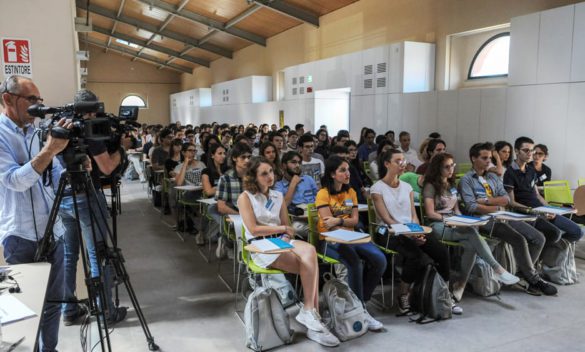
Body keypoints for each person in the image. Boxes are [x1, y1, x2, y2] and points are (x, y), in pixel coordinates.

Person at [0, 75, 71, 351]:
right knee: (22, 312)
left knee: (52, 305)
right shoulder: (2, 135)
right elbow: (14, 181)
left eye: (39, 101)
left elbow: (52, 177)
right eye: (31, 100)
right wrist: (50, 150)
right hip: (20, 236)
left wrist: (73, 172)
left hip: (53, 232)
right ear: (8, 99)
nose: (37, 107)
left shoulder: (36, 133)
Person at [238, 157, 339, 347]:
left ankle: (309, 312)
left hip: (280, 241)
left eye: (271, 171)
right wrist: (282, 230)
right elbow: (253, 229)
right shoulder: (245, 197)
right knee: (309, 266)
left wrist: (285, 236)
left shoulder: (277, 196)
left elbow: (288, 227)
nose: (270, 176)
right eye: (264, 173)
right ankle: (312, 319)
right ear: (253, 177)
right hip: (259, 246)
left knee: (309, 250)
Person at [59, 89, 129, 327]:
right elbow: (108, 167)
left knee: (69, 255)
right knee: (97, 253)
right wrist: (121, 149)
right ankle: (106, 310)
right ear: (92, 110)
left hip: (62, 199)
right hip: (86, 196)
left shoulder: (60, 125)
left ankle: (68, 310)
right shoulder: (89, 130)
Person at [459, 142, 557, 296]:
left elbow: (505, 199)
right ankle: (533, 278)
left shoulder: (492, 176)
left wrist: (485, 201)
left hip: (503, 215)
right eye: (484, 158)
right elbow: (471, 207)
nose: (488, 162)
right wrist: (496, 207)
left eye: (489, 158)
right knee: (519, 239)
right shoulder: (466, 180)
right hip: (485, 221)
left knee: (539, 238)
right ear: (473, 158)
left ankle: (523, 274)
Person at [423, 153, 520, 301]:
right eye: (446, 167)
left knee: (471, 244)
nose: (450, 169)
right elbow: (430, 213)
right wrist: (450, 219)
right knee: (471, 233)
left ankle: (460, 285)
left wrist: (462, 219)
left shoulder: (451, 184)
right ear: (438, 168)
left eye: (452, 165)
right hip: (437, 225)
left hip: (454, 223)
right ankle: (497, 269)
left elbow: (456, 210)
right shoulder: (430, 186)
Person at [370, 149, 455, 314]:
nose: (403, 164)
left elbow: (413, 216)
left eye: (403, 160)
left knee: (442, 252)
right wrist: (409, 234)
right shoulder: (377, 188)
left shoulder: (407, 186)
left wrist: (416, 231)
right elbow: (387, 218)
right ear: (387, 164)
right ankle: (403, 294)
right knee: (414, 255)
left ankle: (445, 293)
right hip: (388, 231)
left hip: (410, 228)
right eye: (398, 161)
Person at [316, 156, 386, 330]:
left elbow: (354, 221)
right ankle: (361, 310)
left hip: (351, 237)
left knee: (380, 260)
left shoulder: (351, 192)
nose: (347, 173)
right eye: (342, 170)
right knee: (354, 263)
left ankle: (360, 301)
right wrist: (340, 223)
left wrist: (339, 221)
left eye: (348, 169)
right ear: (332, 174)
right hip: (329, 241)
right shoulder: (323, 193)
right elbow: (327, 224)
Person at [504, 137, 583, 244]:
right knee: (554, 234)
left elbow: (537, 195)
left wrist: (550, 209)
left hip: (541, 211)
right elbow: (511, 203)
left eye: (532, 151)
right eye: (526, 150)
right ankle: (548, 252)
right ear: (517, 151)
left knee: (577, 232)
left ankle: (551, 251)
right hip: (528, 213)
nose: (530, 154)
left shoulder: (531, 170)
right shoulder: (510, 172)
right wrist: (536, 211)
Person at [274, 151, 318, 240]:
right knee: (296, 228)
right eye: (293, 162)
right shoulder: (278, 185)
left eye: (299, 163)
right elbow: (283, 205)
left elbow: (318, 198)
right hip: (297, 220)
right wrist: (293, 184)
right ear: (284, 165)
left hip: (315, 215)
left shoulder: (308, 179)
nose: (297, 165)